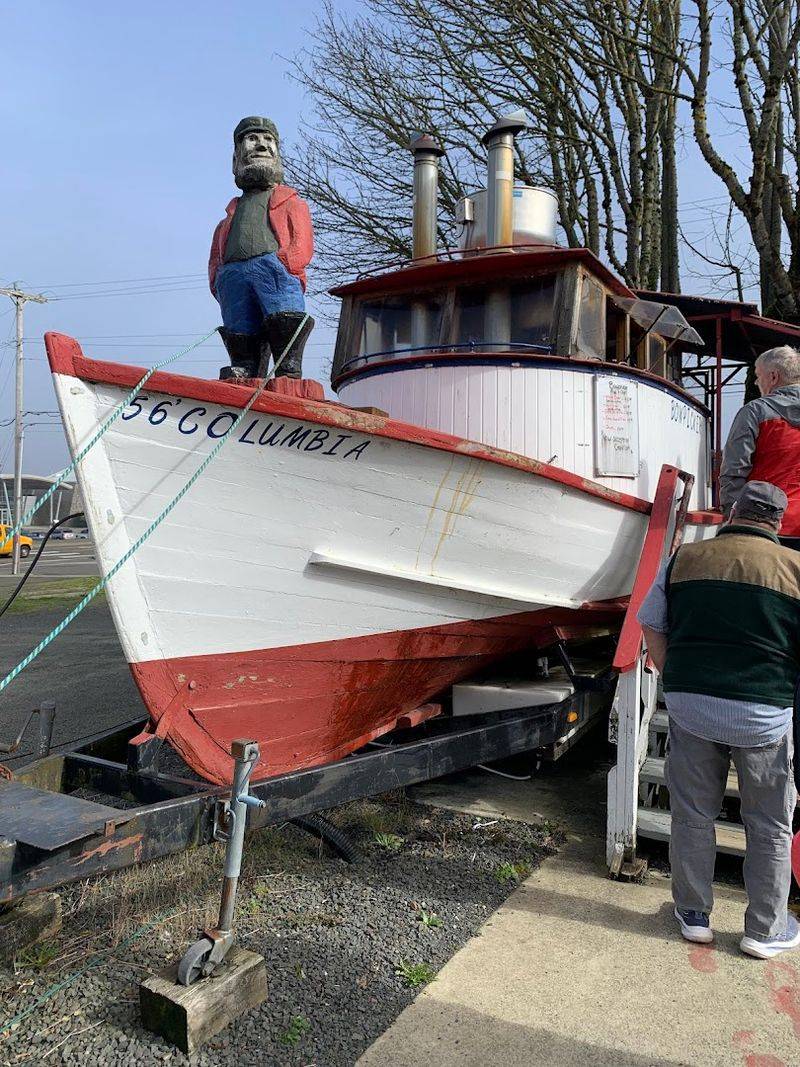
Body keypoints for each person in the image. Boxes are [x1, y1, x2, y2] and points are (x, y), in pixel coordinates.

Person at [637, 481, 800, 959]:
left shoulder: (685, 559)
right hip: (763, 715)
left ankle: (692, 914)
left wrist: (676, 675)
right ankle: (764, 930)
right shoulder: (795, 570)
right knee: (769, 822)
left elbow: (650, 622)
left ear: (733, 512)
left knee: (693, 813)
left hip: (693, 707)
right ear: (778, 523)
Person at [208, 116, 315, 380]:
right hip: (233, 274)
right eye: (252, 139)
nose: (261, 145)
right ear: (237, 155)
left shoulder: (291, 203)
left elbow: (302, 239)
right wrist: (218, 277)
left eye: (268, 140)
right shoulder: (230, 214)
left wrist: (286, 262)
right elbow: (215, 252)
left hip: (275, 268)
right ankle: (244, 365)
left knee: (284, 316)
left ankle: (287, 365)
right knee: (239, 323)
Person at [720, 345, 800, 546]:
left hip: (764, 527)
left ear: (773, 377)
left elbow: (733, 471)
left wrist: (733, 519)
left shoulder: (755, 411)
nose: (756, 382)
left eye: (758, 375)